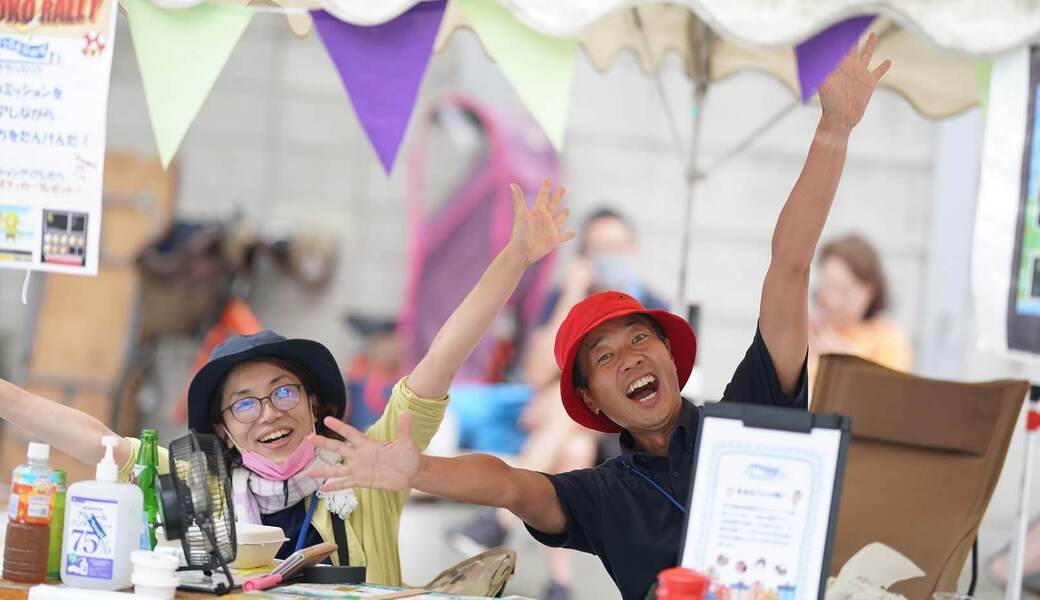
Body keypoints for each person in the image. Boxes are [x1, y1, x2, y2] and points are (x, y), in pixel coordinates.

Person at [308, 36, 891, 599]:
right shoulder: (603, 496)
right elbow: (510, 485)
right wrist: (417, 469)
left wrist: (833, 131)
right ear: (591, 399)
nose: (630, 358)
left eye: (640, 338)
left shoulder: (745, 420)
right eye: (605, 356)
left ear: (671, 357)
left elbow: (789, 268)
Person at [0, 180, 573, 587]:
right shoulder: (200, 483)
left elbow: (440, 360)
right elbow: (97, 443)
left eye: (282, 392)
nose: (269, 413)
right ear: (224, 431)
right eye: (244, 404)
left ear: (312, 403)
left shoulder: (370, 467)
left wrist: (516, 258)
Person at [447, 207, 667, 600]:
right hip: (571, 429)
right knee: (573, 448)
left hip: (622, 427)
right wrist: (571, 295)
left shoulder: (651, 305)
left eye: (616, 246)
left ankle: (499, 519)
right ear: (584, 256)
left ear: (632, 248)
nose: (610, 256)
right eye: (600, 248)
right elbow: (536, 372)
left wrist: (555, 399)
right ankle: (560, 582)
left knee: (563, 409)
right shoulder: (563, 301)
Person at [809, 233, 912, 382]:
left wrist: (847, 361)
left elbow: (892, 390)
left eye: (845, 291)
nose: (833, 301)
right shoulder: (806, 333)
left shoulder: (888, 339)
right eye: (828, 287)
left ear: (870, 291)